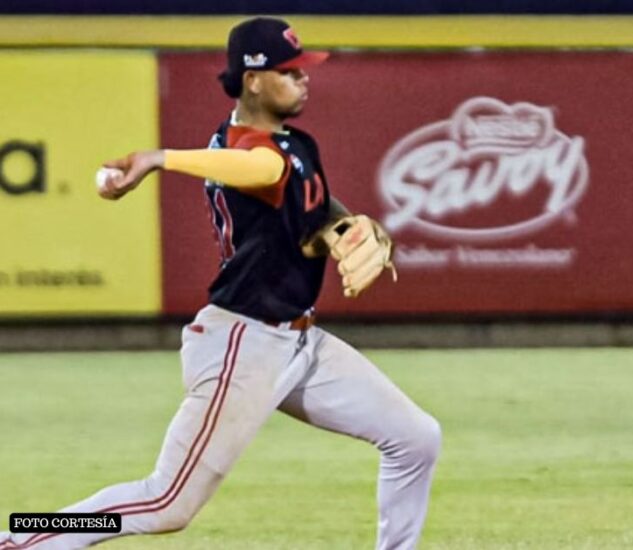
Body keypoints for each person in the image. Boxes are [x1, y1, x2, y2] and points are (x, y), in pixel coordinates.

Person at [0, 17, 440, 550]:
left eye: (304, 70)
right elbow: (260, 169)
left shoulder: (295, 143)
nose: (304, 79)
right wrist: (161, 159)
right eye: (289, 71)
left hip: (300, 343)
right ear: (253, 79)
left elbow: (314, 205)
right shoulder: (244, 150)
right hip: (243, 344)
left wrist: (352, 226)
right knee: (166, 503)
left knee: (416, 438)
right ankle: (20, 539)